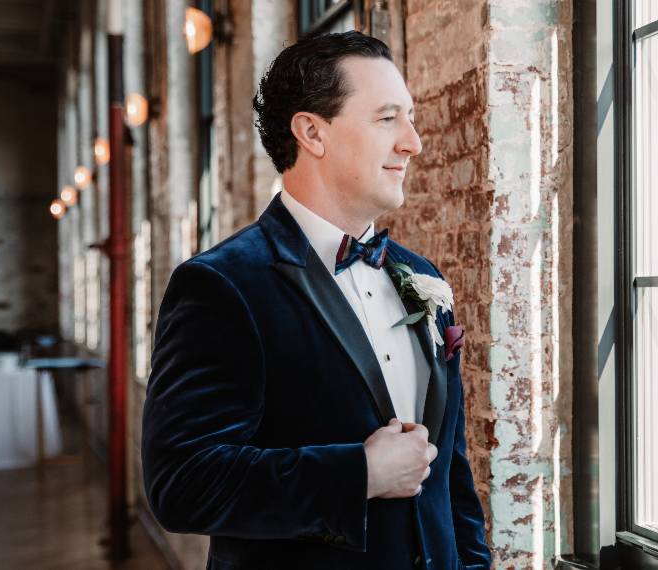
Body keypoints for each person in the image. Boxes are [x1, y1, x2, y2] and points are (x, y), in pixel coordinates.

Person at [141, 30, 492, 570]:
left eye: (411, 118)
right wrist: (359, 474)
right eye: (387, 118)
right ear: (311, 132)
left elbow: (451, 473)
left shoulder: (421, 276)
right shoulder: (222, 284)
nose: (413, 142)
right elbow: (183, 483)